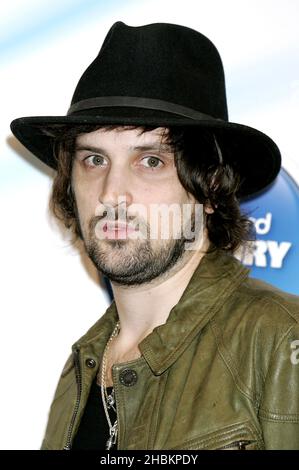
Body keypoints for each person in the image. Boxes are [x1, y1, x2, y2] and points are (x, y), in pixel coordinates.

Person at [10, 21, 299, 451]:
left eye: (150, 161)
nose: (111, 193)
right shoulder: (79, 372)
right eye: (94, 159)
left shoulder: (278, 340)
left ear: (210, 188)